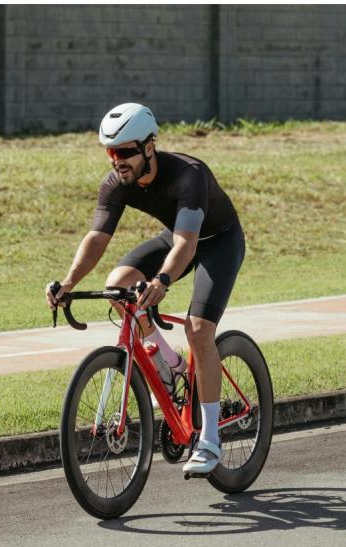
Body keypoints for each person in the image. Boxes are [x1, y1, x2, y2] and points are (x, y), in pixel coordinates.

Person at [45, 102, 245, 476]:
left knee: (198, 329)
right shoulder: (117, 183)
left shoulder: (188, 175)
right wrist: (68, 282)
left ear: (148, 147)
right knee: (117, 287)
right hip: (177, 236)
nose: (116, 161)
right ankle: (168, 365)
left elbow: (187, 245)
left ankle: (210, 440)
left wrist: (162, 281)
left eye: (124, 152)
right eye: (110, 153)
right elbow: (97, 237)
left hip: (217, 241)